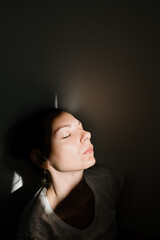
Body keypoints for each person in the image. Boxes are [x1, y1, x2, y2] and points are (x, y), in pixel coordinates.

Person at [16, 107, 124, 240]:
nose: (87, 134)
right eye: (67, 134)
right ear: (41, 158)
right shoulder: (37, 228)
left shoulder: (107, 180)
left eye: (81, 127)